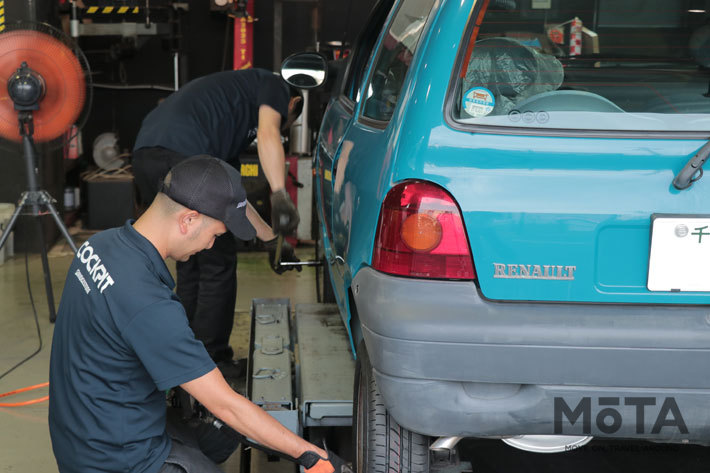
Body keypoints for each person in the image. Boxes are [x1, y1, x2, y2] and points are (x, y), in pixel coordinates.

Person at [49, 155, 350, 473]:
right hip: (114, 459)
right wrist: (310, 455)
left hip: (78, 432)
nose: (210, 246)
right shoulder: (148, 303)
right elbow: (227, 406)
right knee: (229, 420)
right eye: (216, 235)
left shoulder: (100, 244)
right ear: (188, 220)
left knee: (221, 438)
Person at [132, 68, 302, 370]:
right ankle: (213, 361)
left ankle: (183, 355)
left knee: (191, 262)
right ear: (291, 105)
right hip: (180, 155)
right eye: (284, 122)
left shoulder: (225, 126)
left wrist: (271, 241)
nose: (279, 126)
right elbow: (268, 134)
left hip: (146, 155)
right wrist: (279, 193)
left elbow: (233, 199)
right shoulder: (276, 86)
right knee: (216, 262)